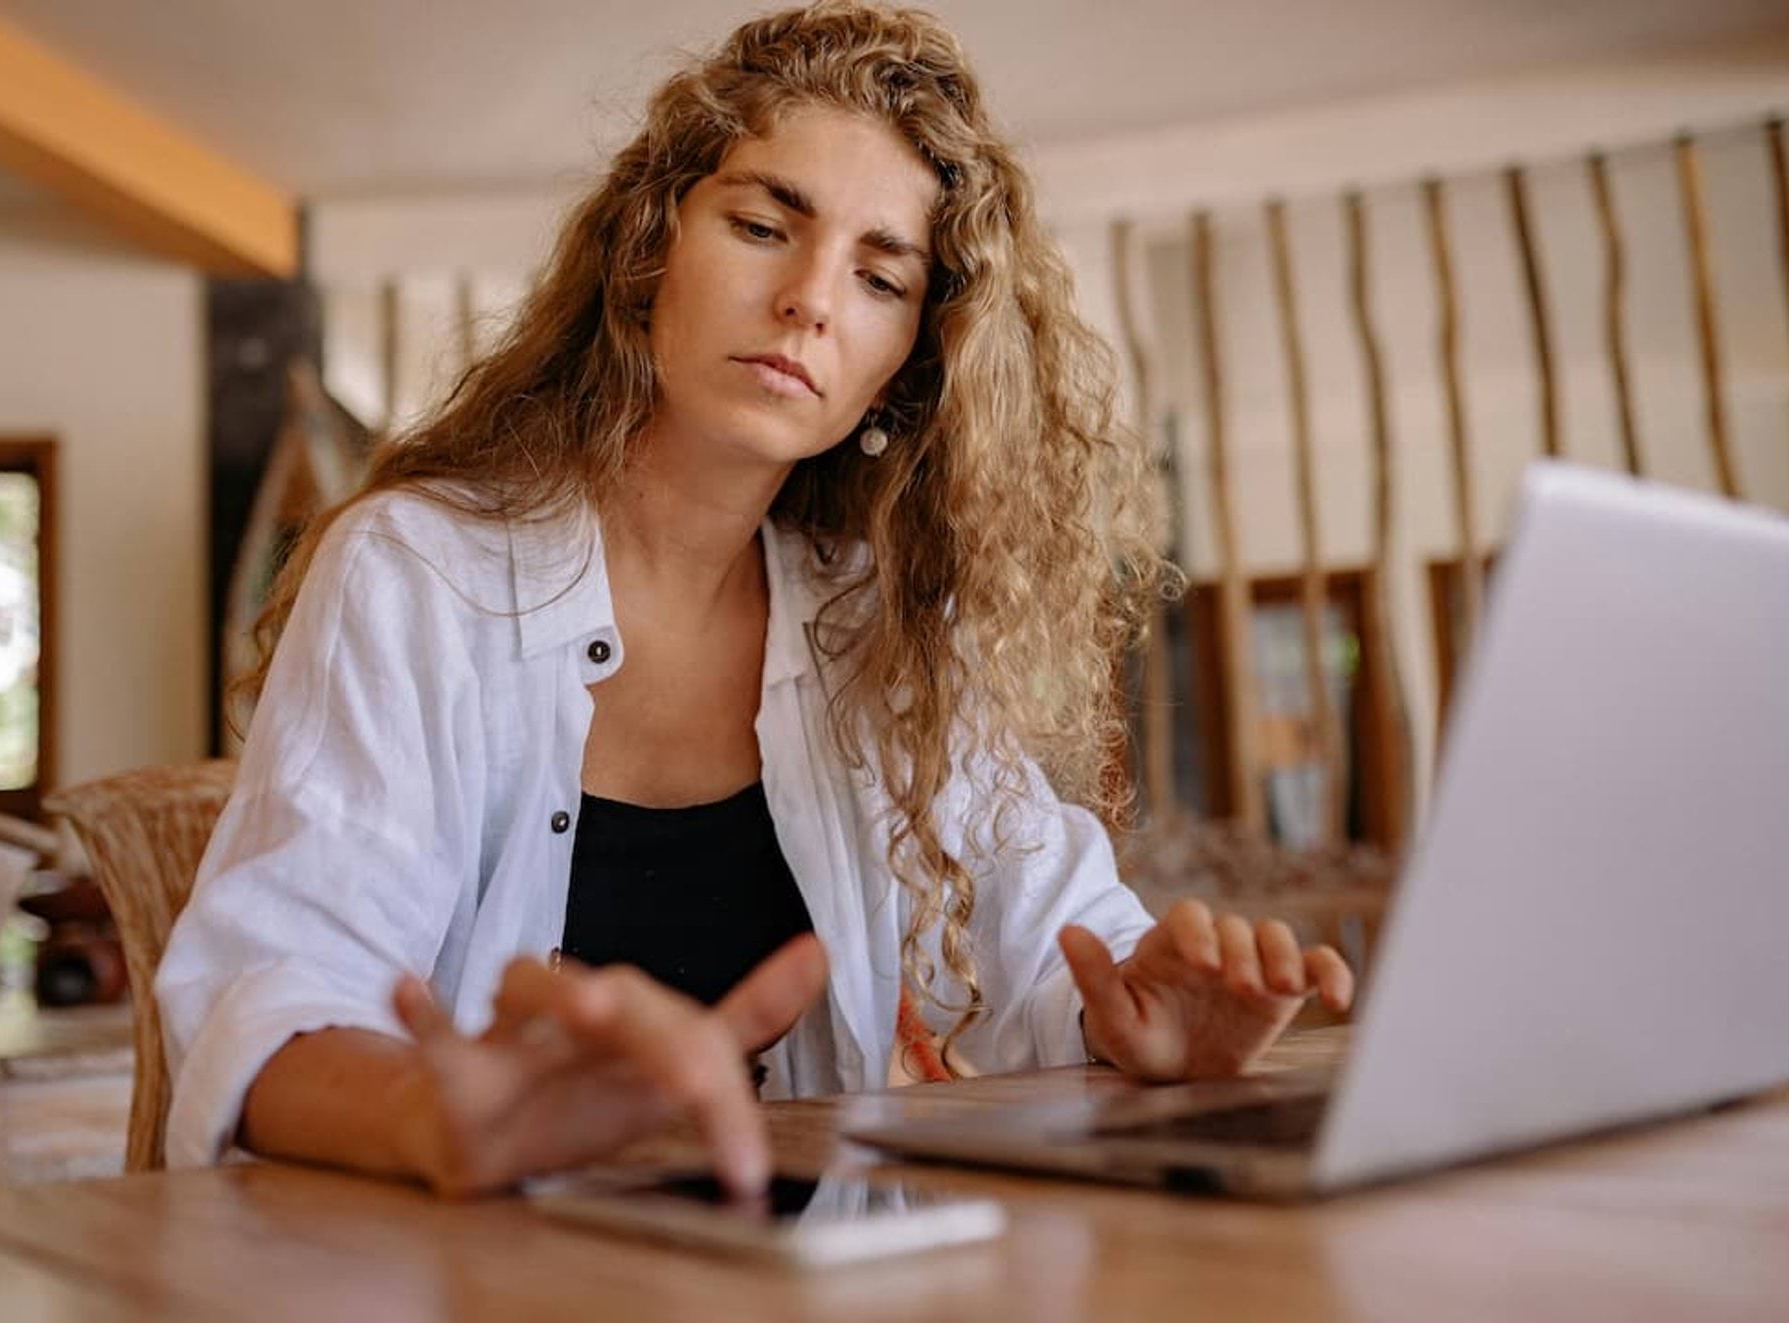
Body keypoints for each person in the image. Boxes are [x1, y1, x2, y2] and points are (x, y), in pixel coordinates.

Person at [155, 0, 1354, 1199]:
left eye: (881, 278)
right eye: (761, 224)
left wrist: (1147, 1023)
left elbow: (1055, 951)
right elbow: (274, 993)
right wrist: (433, 1109)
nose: (810, 300)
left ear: (906, 369)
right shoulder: (415, 575)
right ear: (649, 251)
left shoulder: (880, 630)